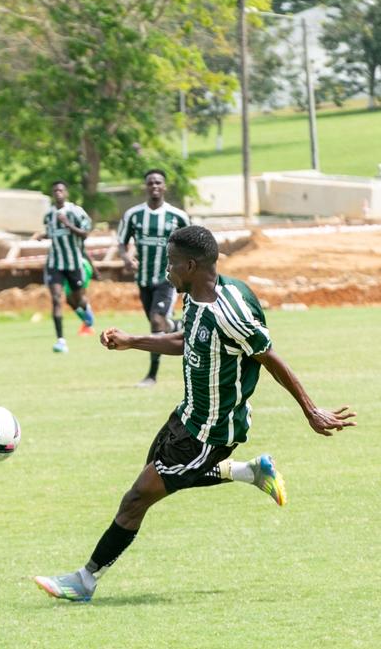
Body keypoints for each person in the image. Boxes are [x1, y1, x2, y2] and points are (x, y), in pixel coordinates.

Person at [34, 225, 355, 602]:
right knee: (159, 477)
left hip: (209, 433)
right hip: (186, 416)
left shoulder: (230, 310)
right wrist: (133, 341)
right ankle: (250, 471)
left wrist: (311, 410)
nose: (166, 270)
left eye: (171, 263)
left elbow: (268, 357)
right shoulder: (193, 297)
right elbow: (188, 340)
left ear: (190, 265)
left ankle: (85, 580)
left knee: (137, 498)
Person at [117, 169, 191, 386]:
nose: (154, 186)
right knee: (157, 323)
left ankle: (152, 375)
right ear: (146, 187)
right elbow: (122, 242)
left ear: (164, 186)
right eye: (150, 183)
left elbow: (191, 243)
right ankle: (175, 326)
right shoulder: (133, 215)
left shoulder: (177, 216)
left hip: (168, 279)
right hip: (143, 279)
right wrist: (127, 258)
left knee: (156, 322)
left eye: (158, 182)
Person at [33, 181, 95, 353]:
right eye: (55, 191)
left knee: (78, 299)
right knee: (56, 298)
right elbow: (52, 233)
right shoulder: (49, 215)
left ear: (66, 193)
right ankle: (61, 340)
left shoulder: (76, 211)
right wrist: (42, 236)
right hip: (55, 263)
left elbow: (85, 234)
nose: (58, 193)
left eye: (61, 190)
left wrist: (68, 224)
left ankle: (86, 310)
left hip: (74, 262)